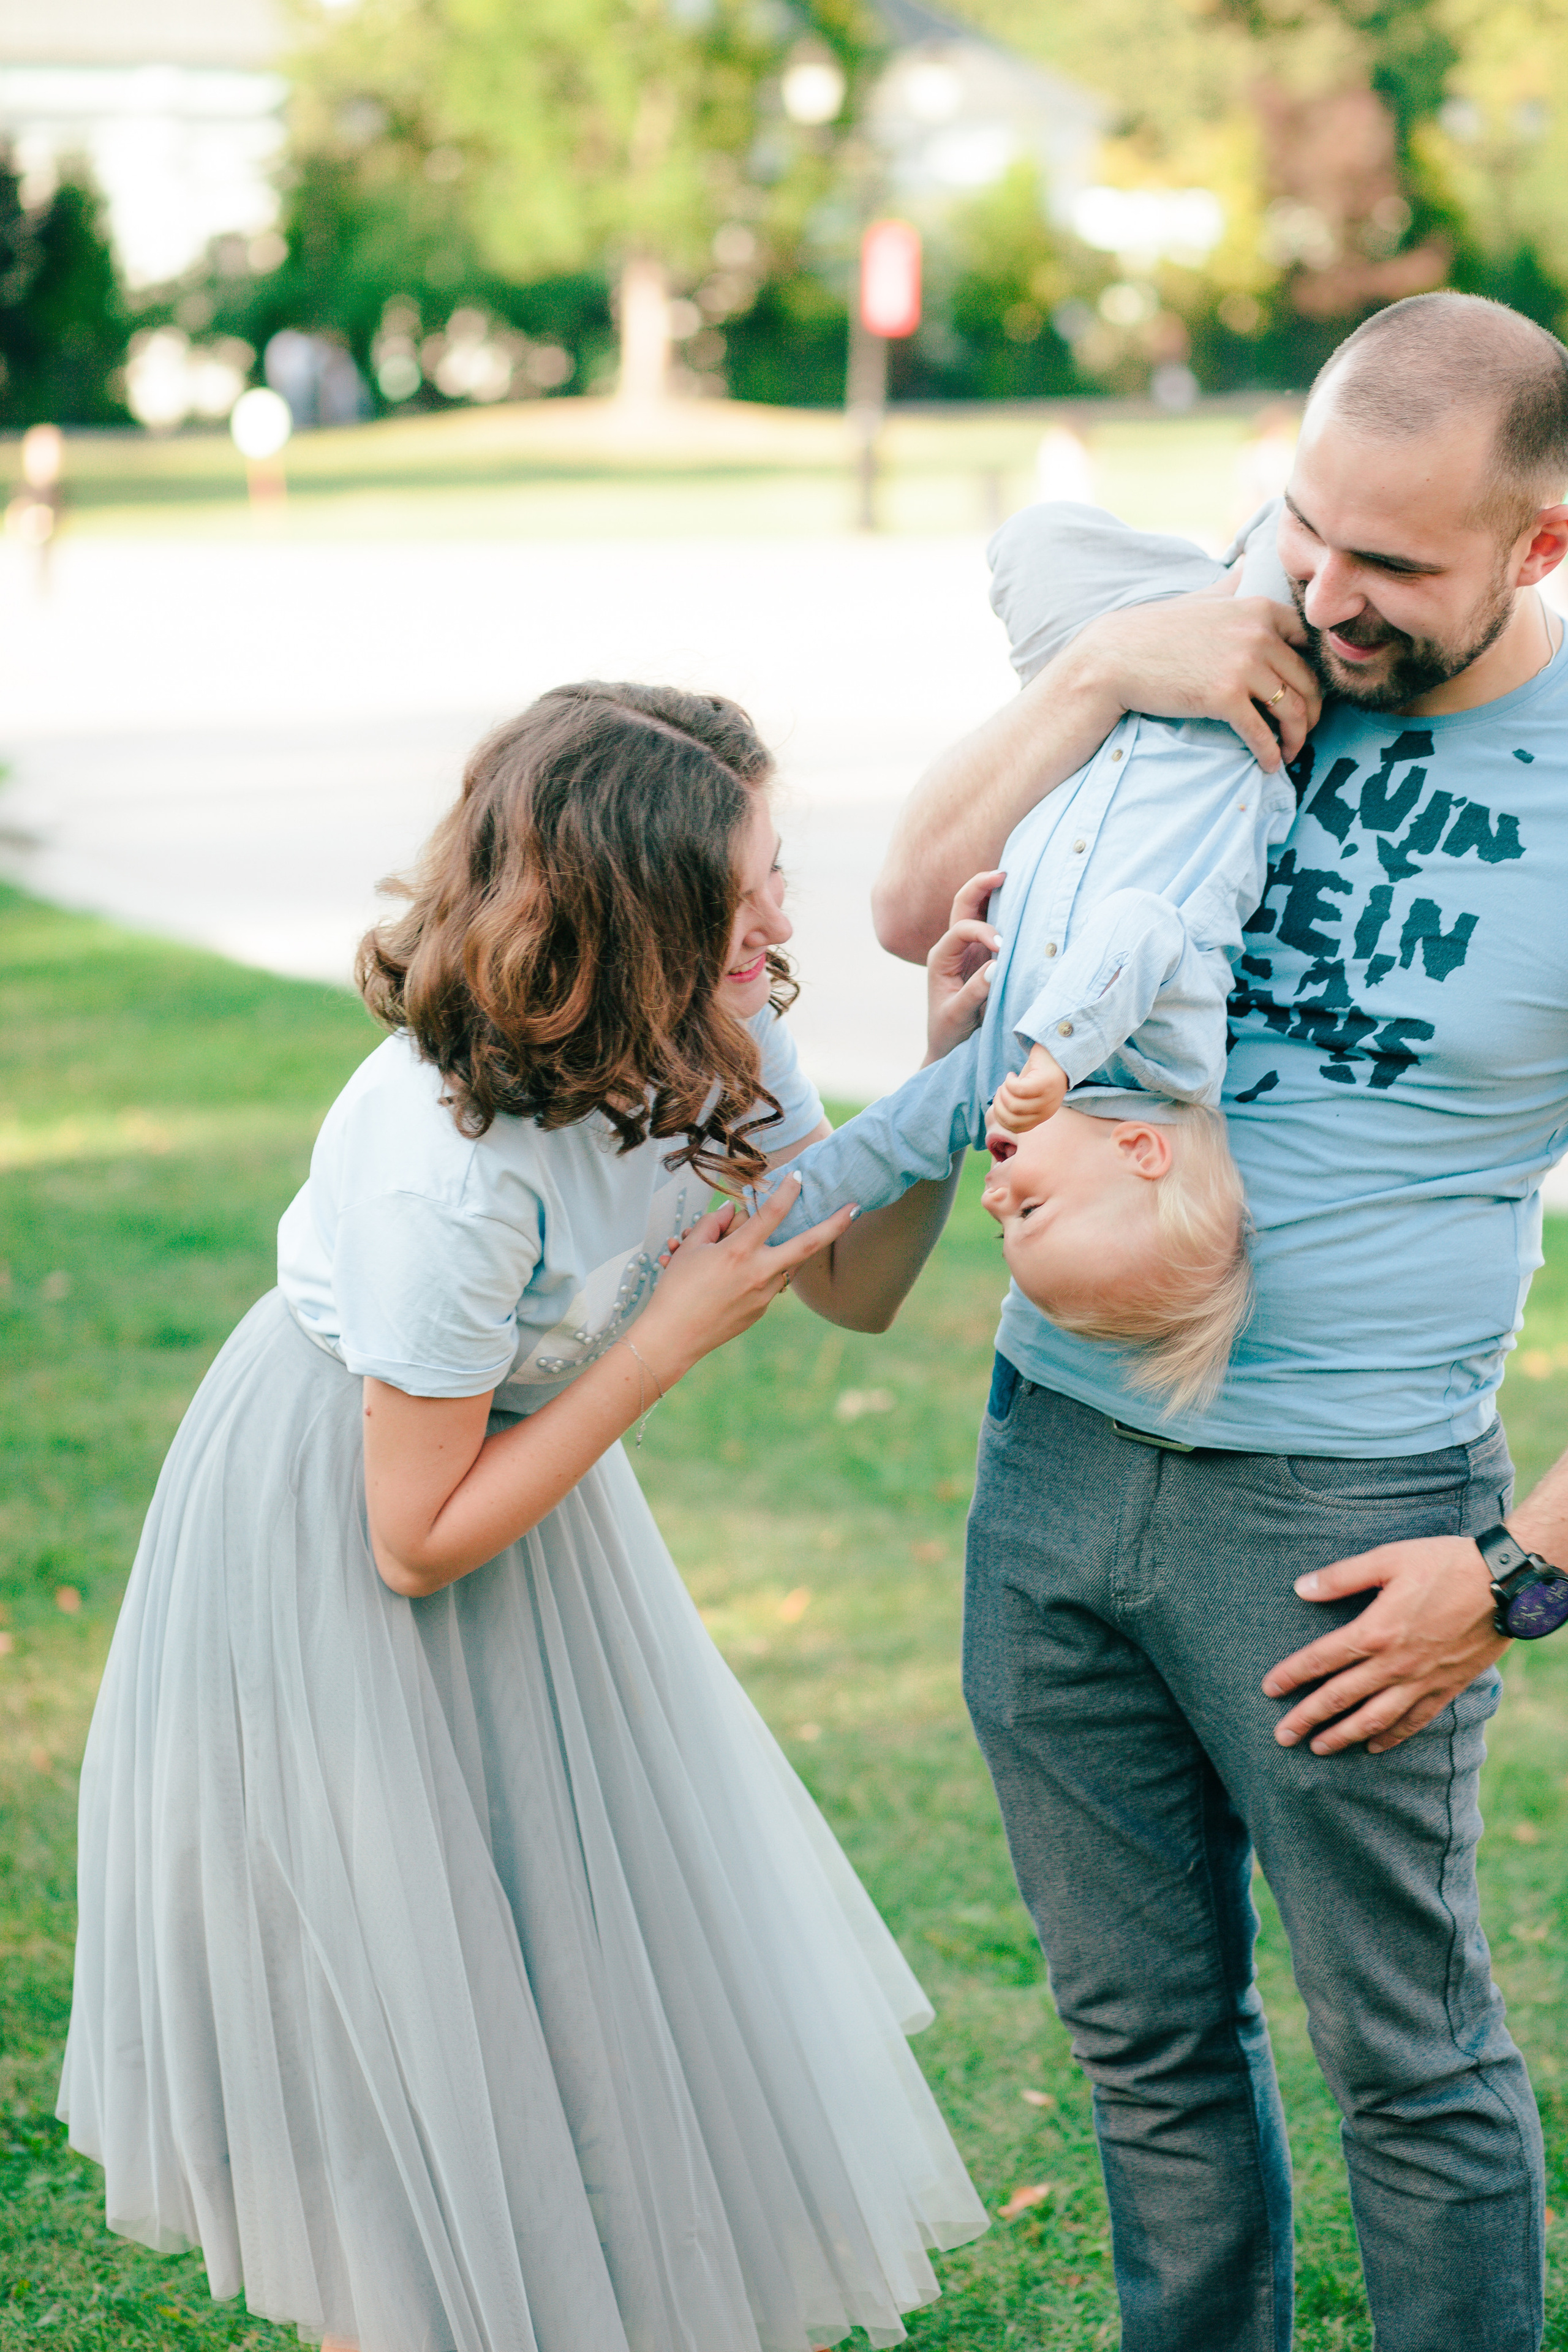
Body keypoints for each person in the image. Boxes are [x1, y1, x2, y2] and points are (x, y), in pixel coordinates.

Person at [56, 682, 988, 2352]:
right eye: (747, 884)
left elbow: (849, 1285)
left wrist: (940, 1086)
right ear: (635, 923)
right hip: (339, 1532)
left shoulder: (721, 1022)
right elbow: (409, 1536)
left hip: (530, 1494)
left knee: (593, 2020)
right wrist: (662, 1340)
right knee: (413, 2063)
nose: (783, 914)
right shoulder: (449, 1163)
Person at [869, 291, 1568, 2352]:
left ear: (1538, 546)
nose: (1326, 597)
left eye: (1394, 569)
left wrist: (1515, 1575)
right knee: (1145, 2056)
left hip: (1349, 1521)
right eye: (1309, 528)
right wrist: (1103, 663)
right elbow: (913, 905)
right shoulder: (1206, 638)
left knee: (1410, 2069)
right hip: (1055, 1458)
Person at [771, 504, 1301, 1410]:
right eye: (1030, 1213)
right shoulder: (1167, 1063)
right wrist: (1059, 1051)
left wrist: (758, 1219)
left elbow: (892, 1141)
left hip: (1121, 703)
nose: (992, 1200)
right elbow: (1140, 927)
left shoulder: (997, 1086)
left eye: (1002, 1228)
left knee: (1029, 549)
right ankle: (1246, 548)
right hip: (1218, 713)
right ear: (1141, 1152)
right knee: (1303, 550)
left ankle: (1198, 579)